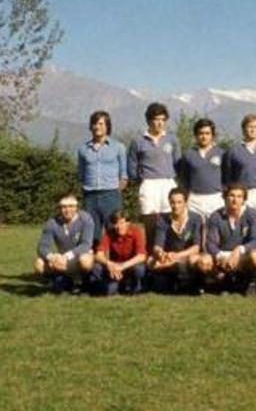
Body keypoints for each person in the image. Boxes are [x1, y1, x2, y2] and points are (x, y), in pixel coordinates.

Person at [127, 102, 181, 252]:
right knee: (150, 222)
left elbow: (178, 163)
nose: (160, 123)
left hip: (168, 183)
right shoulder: (138, 141)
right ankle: (151, 256)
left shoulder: (172, 139)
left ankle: (169, 256)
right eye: (156, 119)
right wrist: (141, 181)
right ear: (149, 120)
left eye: (163, 119)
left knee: (170, 219)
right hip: (149, 184)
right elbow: (132, 166)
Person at [201, 183, 256, 295]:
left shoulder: (251, 214)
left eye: (239, 196)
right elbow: (211, 244)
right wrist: (221, 256)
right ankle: (222, 283)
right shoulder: (216, 216)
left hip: (242, 255)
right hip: (222, 257)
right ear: (225, 197)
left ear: (244, 200)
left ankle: (250, 283)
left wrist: (239, 250)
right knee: (204, 261)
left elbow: (255, 241)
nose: (235, 200)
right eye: (232, 195)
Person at [77, 111, 128, 245]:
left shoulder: (119, 147)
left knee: (115, 231)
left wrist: (115, 192)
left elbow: (124, 176)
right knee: (91, 233)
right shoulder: (83, 149)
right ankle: (95, 264)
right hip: (90, 197)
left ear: (107, 126)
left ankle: (116, 263)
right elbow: (81, 174)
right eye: (94, 123)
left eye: (100, 123)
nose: (97, 126)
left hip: (111, 196)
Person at [223, 114, 256, 230]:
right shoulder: (233, 150)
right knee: (243, 224)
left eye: (255, 127)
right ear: (243, 129)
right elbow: (228, 175)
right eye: (249, 126)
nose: (252, 129)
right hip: (243, 193)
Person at [33, 194, 95, 292]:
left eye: (71, 206)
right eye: (64, 207)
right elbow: (42, 247)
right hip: (60, 262)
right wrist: (52, 257)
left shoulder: (86, 219)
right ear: (59, 208)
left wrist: (66, 256)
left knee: (86, 260)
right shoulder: (52, 223)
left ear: (76, 207)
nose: (67, 210)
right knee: (38, 263)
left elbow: (86, 245)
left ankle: (83, 281)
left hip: (77, 258)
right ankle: (57, 280)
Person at [149, 188, 202, 293]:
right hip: (169, 256)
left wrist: (178, 256)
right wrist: (161, 253)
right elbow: (157, 245)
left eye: (179, 202)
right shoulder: (162, 219)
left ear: (185, 203)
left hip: (187, 256)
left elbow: (196, 247)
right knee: (151, 262)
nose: (175, 206)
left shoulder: (195, 218)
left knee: (193, 260)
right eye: (172, 202)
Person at [177, 118, 224, 219]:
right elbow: (183, 180)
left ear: (212, 135)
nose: (204, 137)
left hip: (216, 198)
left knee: (214, 232)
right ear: (196, 135)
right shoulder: (188, 154)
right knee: (196, 232)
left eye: (207, 133)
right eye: (201, 133)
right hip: (194, 199)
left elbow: (228, 177)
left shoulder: (222, 153)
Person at [92, 210, 147, 295]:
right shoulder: (109, 233)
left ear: (128, 223)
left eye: (121, 223)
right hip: (115, 267)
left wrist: (122, 266)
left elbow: (141, 256)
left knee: (139, 269)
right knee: (97, 267)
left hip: (130, 266)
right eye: (115, 223)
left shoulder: (136, 231)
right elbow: (98, 255)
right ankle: (114, 285)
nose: (118, 226)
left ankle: (135, 286)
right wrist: (109, 264)